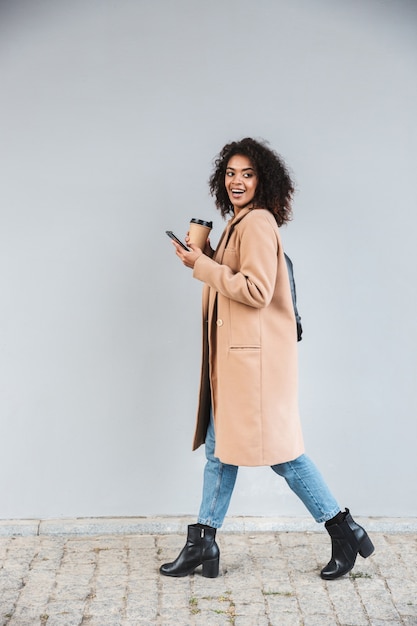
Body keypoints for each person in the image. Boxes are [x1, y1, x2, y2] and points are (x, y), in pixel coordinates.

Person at [160, 137, 374, 581]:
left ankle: (343, 530)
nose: (237, 181)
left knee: (284, 455)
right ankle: (204, 543)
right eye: (231, 173)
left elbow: (256, 290)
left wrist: (202, 265)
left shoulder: (257, 223)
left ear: (263, 180)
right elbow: (237, 281)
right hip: (239, 364)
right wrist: (202, 257)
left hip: (251, 369)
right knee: (220, 453)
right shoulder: (241, 222)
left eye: (248, 174)